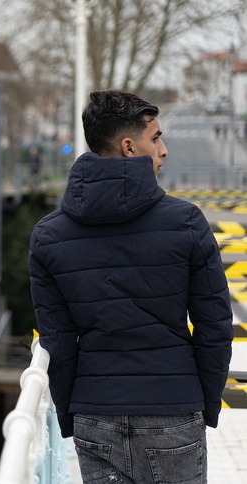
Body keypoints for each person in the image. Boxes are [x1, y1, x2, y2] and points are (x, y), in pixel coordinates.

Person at [29, 90, 233, 483]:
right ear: (129, 147)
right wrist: (203, 405)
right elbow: (214, 329)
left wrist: (73, 413)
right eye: (155, 137)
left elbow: (58, 339)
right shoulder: (187, 222)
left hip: (95, 414)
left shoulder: (47, 236)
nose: (164, 149)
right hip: (173, 410)